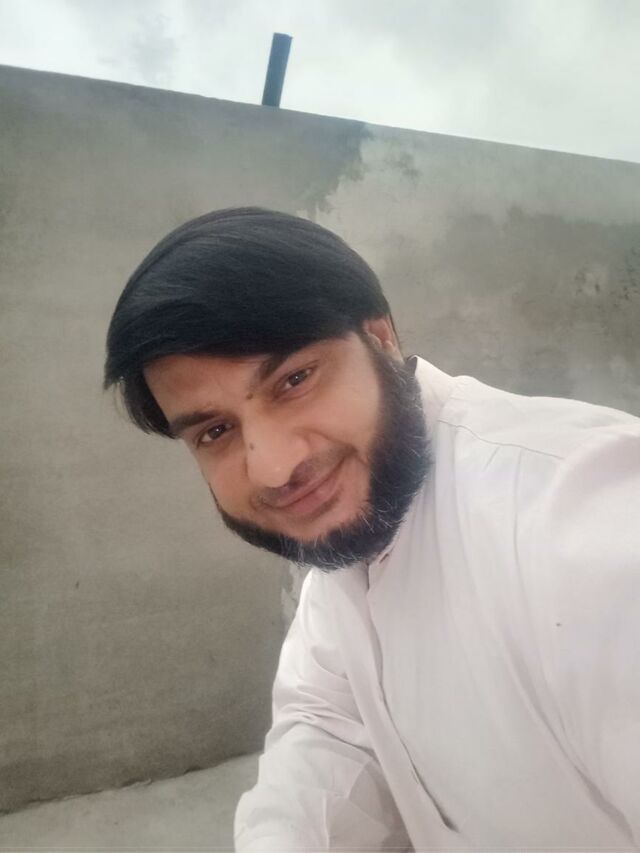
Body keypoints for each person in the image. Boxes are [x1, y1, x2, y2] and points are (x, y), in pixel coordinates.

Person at [104, 207, 640, 852]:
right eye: (215, 431)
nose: (274, 468)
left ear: (380, 338)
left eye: (294, 380)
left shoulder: (585, 517)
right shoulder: (355, 530)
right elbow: (328, 724)